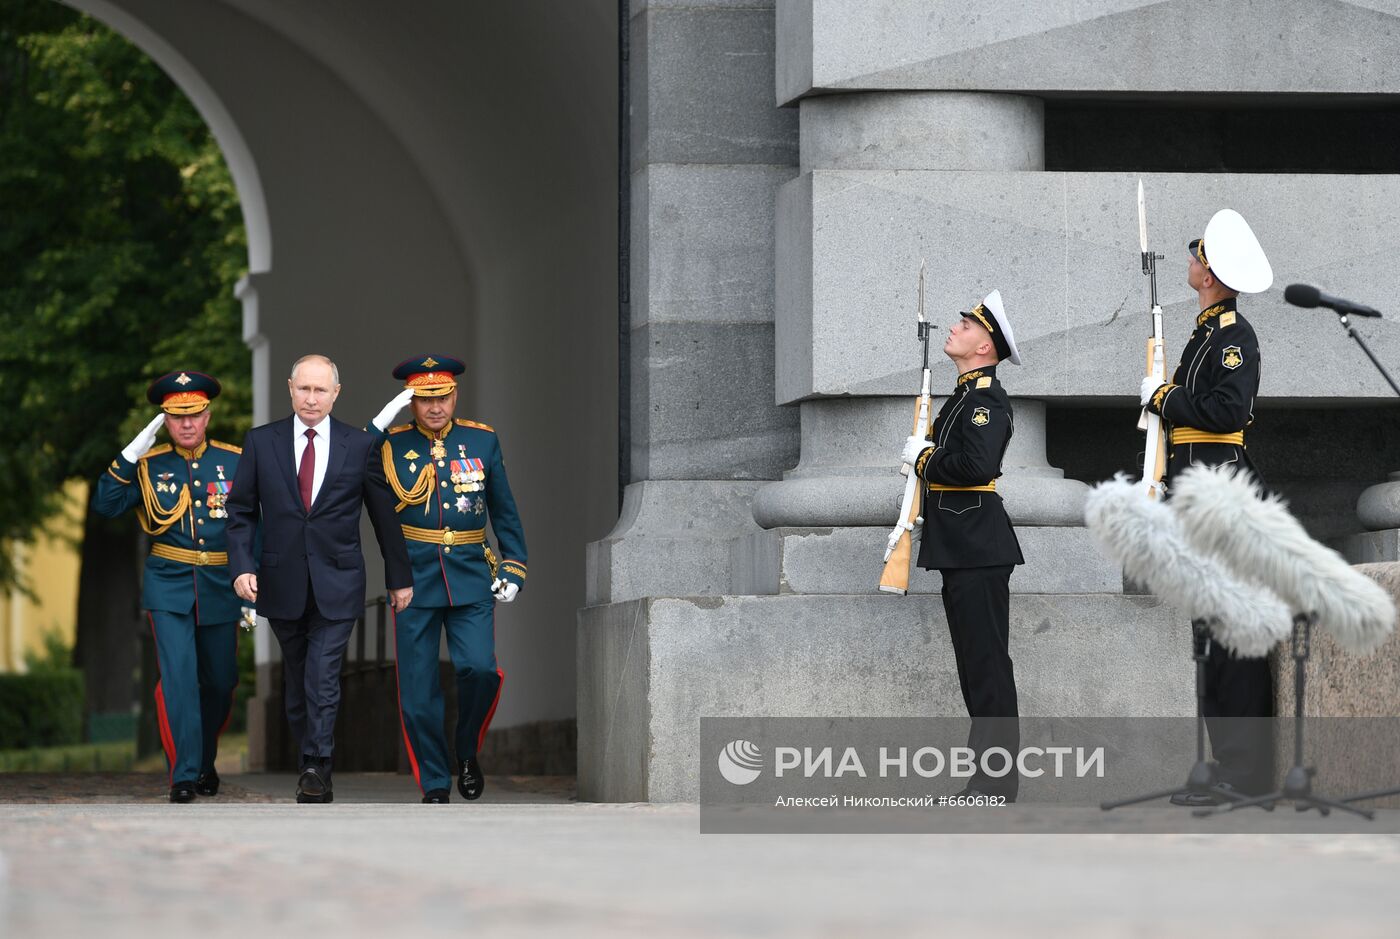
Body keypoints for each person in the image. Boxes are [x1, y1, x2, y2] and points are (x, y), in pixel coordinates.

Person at [226, 354, 413, 804]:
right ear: (290, 388)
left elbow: (382, 515)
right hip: (280, 579)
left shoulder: (359, 445)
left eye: (320, 390)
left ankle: (317, 765)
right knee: (296, 683)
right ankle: (308, 758)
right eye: (304, 389)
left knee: (322, 675)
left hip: (339, 580)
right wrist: (241, 567)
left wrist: (398, 576)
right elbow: (240, 512)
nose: (311, 398)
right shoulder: (261, 442)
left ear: (336, 394)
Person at [1141, 208, 1275, 806]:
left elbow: (1225, 412)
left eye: (1198, 256)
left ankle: (1245, 773)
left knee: (1232, 639)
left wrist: (1166, 398)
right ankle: (1227, 765)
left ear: (1214, 275)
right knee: (1210, 636)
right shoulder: (1203, 335)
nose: (1191, 263)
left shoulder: (1234, 338)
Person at [367, 354, 528, 803]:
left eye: (442, 397)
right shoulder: (390, 444)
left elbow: (504, 509)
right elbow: (348, 461)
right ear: (410, 401)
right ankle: (435, 781)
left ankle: (465, 750)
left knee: (480, 670)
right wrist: (381, 422)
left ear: (455, 395)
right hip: (413, 580)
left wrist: (514, 566)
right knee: (418, 692)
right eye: (423, 399)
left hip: (471, 574)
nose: (435, 407)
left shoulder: (482, 440)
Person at [93, 371, 244, 803]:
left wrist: (254, 578)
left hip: (220, 583)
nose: (187, 425)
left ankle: (204, 758)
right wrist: (129, 454)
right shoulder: (149, 464)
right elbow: (105, 505)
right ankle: (184, 773)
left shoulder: (234, 462)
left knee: (220, 681)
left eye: (194, 415)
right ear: (165, 419)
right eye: (177, 417)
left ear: (207, 415)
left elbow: (257, 522)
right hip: (169, 583)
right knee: (178, 678)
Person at [901, 290, 1025, 802]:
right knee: (976, 668)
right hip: (964, 546)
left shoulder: (986, 401)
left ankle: (995, 784)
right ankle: (986, 779)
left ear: (984, 347)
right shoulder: (964, 397)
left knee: (988, 669)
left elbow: (976, 468)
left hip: (978, 546)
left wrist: (924, 459)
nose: (956, 328)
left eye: (967, 326)